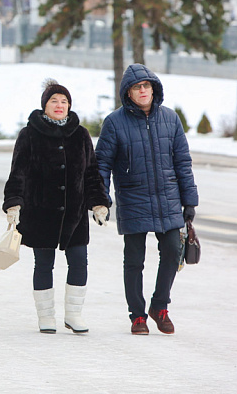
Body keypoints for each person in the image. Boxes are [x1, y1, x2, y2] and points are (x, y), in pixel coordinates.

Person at [95, 64, 198, 335]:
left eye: (146, 86)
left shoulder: (170, 119)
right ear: (128, 93)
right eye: (136, 87)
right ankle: (137, 316)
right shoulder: (114, 122)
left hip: (168, 198)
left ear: (154, 89)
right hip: (133, 197)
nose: (142, 91)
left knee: (173, 252)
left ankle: (159, 306)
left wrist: (190, 200)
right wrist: (101, 199)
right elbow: (101, 164)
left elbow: (183, 163)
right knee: (134, 260)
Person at [3, 80, 109, 334]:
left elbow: (92, 172)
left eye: (64, 101)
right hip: (41, 212)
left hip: (75, 214)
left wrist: (99, 203)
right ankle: (46, 316)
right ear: (45, 106)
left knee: (79, 261)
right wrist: (14, 203)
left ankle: (73, 314)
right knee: (43, 263)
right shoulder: (29, 134)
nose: (59, 105)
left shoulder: (81, 135)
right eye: (54, 101)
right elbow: (18, 172)